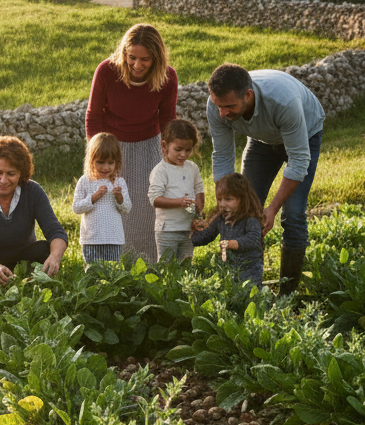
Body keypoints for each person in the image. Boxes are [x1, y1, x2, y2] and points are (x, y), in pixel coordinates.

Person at [206, 63, 325, 294]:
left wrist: (272, 208)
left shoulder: (283, 102)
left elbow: (299, 161)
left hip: (305, 133)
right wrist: (225, 201)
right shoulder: (216, 105)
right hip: (261, 140)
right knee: (245, 211)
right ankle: (248, 289)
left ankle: (286, 296)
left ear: (248, 96)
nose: (222, 114)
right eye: (218, 106)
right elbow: (222, 156)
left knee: (293, 214)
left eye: (229, 106)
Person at [85, 23, 178, 262]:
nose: (137, 65)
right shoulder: (107, 71)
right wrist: (98, 158)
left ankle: (147, 267)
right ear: (124, 53)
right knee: (111, 208)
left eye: (145, 59)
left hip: (149, 147)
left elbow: (168, 119)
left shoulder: (168, 78)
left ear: (156, 58)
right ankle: (110, 265)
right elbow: (93, 116)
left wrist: (170, 159)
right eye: (132, 57)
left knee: (147, 212)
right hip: (112, 150)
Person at [0, 136, 68, 284]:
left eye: (11, 174)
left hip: (22, 257)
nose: (4, 180)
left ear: (21, 173)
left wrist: (55, 257)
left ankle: (29, 282)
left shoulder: (33, 191)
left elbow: (55, 231)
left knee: (45, 249)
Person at [191, 172, 265, 286]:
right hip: (229, 268)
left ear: (242, 199)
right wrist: (193, 233)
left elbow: (253, 240)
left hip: (250, 270)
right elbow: (207, 235)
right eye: (219, 199)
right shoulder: (221, 219)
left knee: (250, 297)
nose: (222, 204)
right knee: (231, 294)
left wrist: (232, 243)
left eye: (228, 199)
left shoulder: (250, 219)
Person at [147, 119, 204, 262]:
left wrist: (198, 209)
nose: (183, 155)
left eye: (188, 150)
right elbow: (155, 199)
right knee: (167, 267)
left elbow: (199, 190)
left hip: (188, 228)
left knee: (185, 264)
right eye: (178, 149)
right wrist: (178, 202)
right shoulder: (161, 171)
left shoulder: (192, 168)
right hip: (167, 229)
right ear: (164, 146)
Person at [72, 133, 131, 265]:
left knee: (112, 272)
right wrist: (94, 197)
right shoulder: (85, 181)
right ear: (91, 160)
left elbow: (127, 209)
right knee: (93, 272)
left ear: (117, 161)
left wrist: (119, 198)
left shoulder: (119, 182)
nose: (106, 167)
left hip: (113, 238)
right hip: (91, 239)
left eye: (111, 163)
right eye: (100, 162)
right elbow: (76, 207)